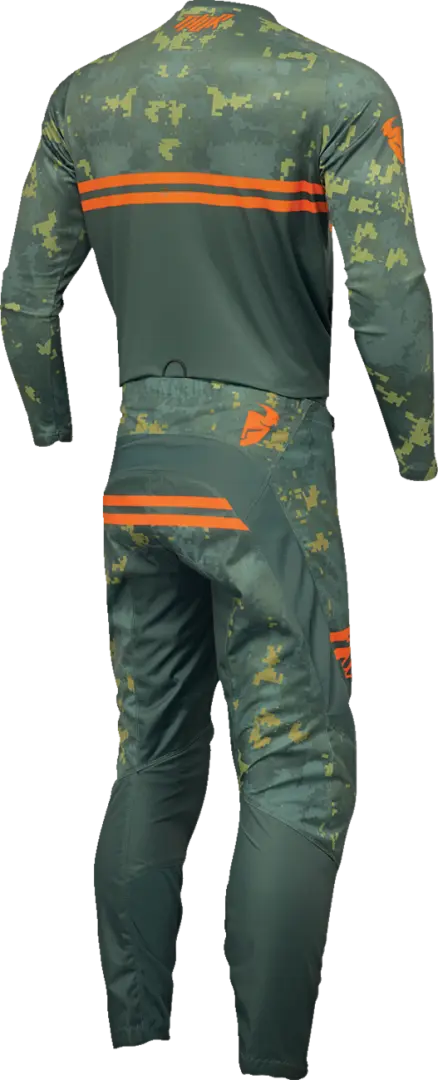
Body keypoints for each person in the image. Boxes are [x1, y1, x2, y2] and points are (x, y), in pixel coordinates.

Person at [0, 5, 435, 1078]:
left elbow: (27, 297)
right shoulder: (335, 88)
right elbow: (389, 299)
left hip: (139, 467)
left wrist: (50, 423)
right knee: (295, 766)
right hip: (266, 470)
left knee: (149, 756)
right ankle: (271, 1069)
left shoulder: (87, 93)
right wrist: (417, 445)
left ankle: (136, 1040)